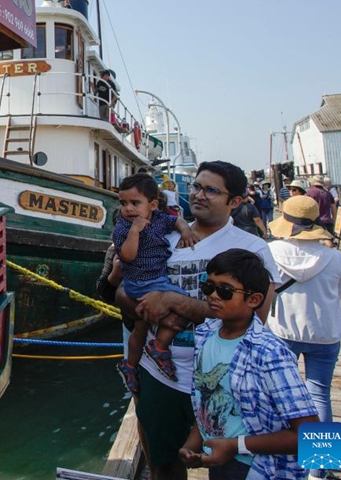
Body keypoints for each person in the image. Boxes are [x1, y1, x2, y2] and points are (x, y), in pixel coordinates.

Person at [116, 160, 280, 480]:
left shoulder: (252, 250)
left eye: (211, 190)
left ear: (235, 201)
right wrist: (132, 301)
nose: (199, 195)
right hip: (161, 375)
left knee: (228, 467)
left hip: (222, 382)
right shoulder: (162, 235)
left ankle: (320, 465)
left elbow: (256, 320)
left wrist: (174, 301)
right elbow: (123, 287)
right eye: (196, 187)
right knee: (163, 464)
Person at [179, 249, 318, 480]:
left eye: (224, 291)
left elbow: (314, 436)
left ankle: (319, 472)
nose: (213, 295)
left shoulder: (270, 352)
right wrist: (192, 443)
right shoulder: (205, 335)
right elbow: (206, 398)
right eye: (208, 286)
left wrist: (236, 446)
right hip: (220, 458)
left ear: (254, 300)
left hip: (258, 467)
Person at [266, 196, 341, 479]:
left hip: (282, 332)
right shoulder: (335, 257)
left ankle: (280, 462)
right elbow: (337, 294)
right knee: (319, 395)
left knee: (279, 397)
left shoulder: (271, 251)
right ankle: (318, 469)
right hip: (325, 334)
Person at [113, 173, 198, 393]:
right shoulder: (123, 228)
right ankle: (159, 347)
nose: (128, 209)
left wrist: (186, 229)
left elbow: (177, 220)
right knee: (183, 307)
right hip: (141, 281)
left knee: (141, 327)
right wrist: (134, 232)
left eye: (135, 203)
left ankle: (130, 365)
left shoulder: (160, 219)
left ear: (152, 204)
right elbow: (128, 256)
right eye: (124, 203)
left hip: (155, 279)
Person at [306, 176, 336, 243]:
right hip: (327, 221)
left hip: (315, 221)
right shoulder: (328, 193)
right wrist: (334, 219)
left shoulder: (310, 193)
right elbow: (333, 208)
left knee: (315, 243)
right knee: (328, 241)